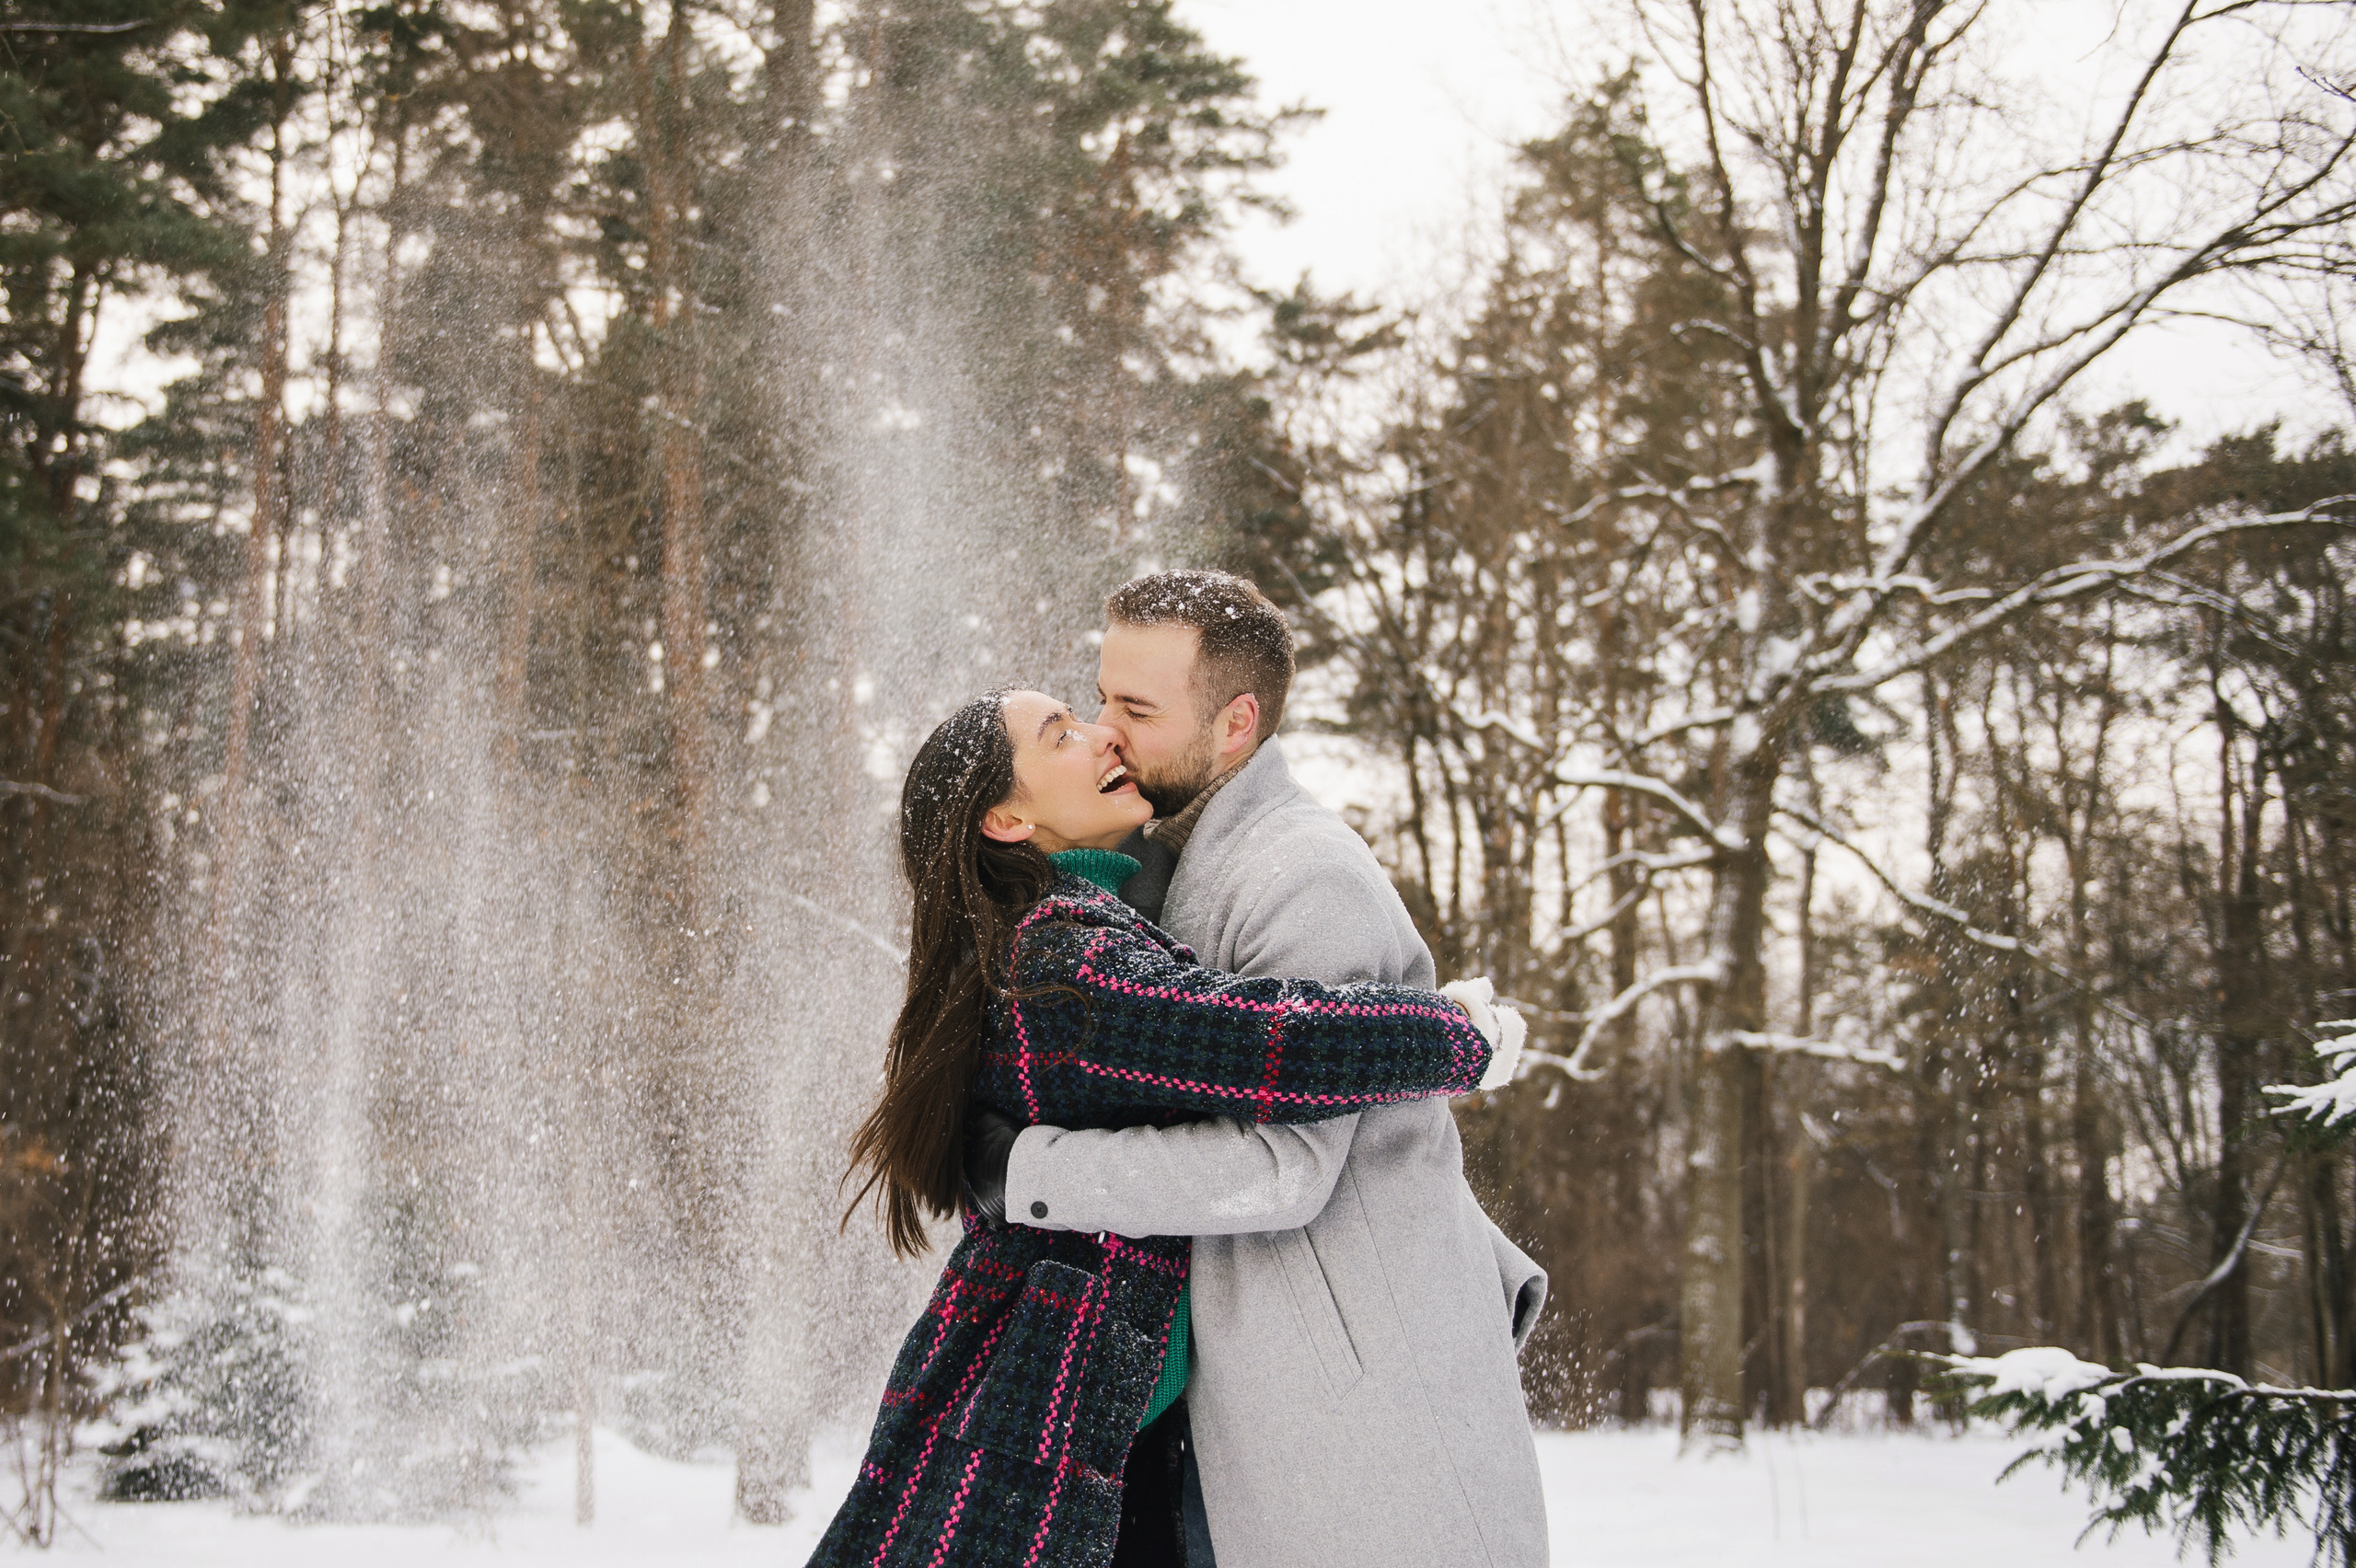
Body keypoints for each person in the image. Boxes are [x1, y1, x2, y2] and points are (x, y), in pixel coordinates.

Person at [807, 688, 1520, 1568]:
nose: (1101, 733)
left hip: (1091, 1407)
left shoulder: (1073, 932)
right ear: (1005, 816)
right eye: (1060, 734)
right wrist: (1457, 1036)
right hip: (1051, 1414)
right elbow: (1266, 1046)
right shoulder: (1060, 961)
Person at [964, 571, 1551, 1568]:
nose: (1107, 730)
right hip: (1260, 1403)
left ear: (1235, 725)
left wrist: (1029, 1174)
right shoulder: (1163, 872)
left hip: (1362, 1422)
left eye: (1136, 710)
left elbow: (1281, 1166)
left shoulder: (1302, 876)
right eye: (1100, 699)